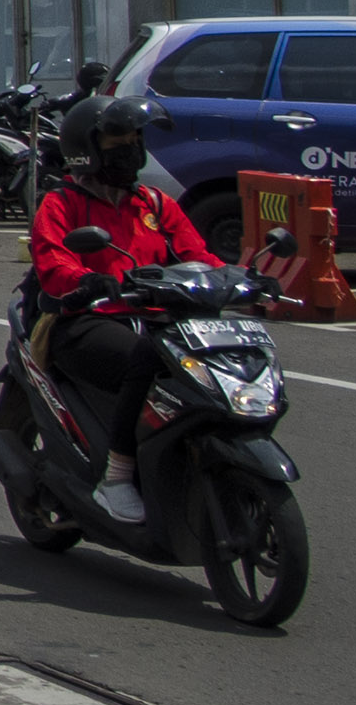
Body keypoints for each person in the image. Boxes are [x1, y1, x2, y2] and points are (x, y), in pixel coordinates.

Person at [29, 93, 219, 525]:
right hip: (85, 322)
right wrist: (87, 280)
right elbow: (53, 263)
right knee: (150, 358)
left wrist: (240, 278)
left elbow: (198, 256)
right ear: (89, 148)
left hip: (155, 319)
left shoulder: (154, 204)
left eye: (136, 138)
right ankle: (116, 477)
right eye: (119, 141)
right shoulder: (63, 204)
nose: (132, 147)